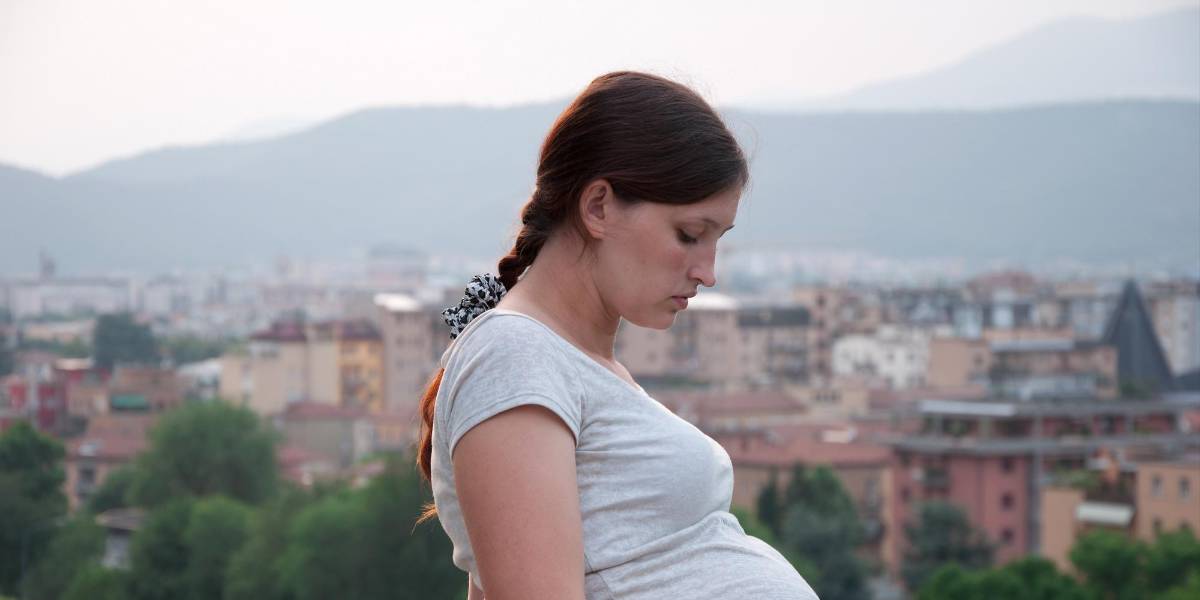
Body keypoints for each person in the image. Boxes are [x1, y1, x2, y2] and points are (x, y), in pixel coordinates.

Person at [416, 71, 819, 600]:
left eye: (717, 240)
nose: (708, 272)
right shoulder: (513, 354)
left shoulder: (563, 362)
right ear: (598, 206)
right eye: (689, 235)